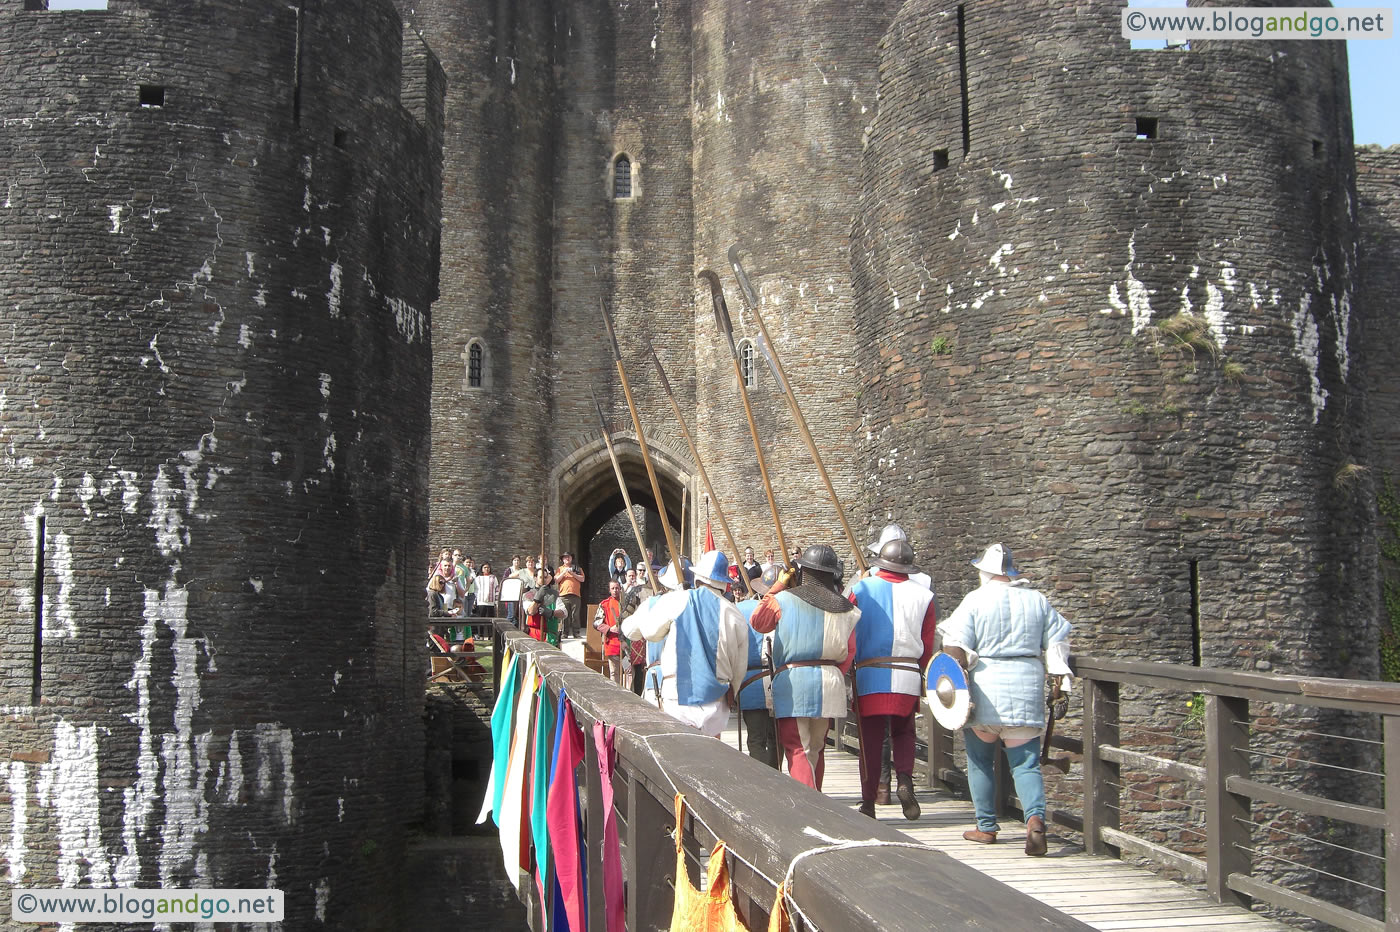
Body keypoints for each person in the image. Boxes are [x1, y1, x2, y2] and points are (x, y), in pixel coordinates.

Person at [940, 543, 1073, 857]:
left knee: (980, 761)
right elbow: (1058, 643)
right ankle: (1035, 821)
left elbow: (954, 644)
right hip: (1026, 685)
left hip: (986, 688)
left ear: (984, 572)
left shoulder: (975, 600)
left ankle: (986, 827)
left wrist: (958, 670)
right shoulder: (1037, 601)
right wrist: (1061, 683)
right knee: (1026, 764)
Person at [749, 544, 860, 790]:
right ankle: (816, 797)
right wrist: (832, 674)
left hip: (795, 681)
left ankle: (810, 809)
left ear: (804, 571)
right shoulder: (847, 609)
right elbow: (849, 651)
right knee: (816, 749)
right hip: (830, 681)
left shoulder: (784, 600)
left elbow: (758, 622)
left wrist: (778, 586)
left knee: (798, 748)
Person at [848, 538, 938, 820]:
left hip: (870, 673)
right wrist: (920, 672)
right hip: (907, 673)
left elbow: (848, 631)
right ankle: (904, 780)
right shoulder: (924, 596)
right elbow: (928, 639)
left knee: (871, 740)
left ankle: (869, 800)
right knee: (904, 732)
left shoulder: (861, 589)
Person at [622, 552, 747, 739]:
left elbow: (649, 633)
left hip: (677, 698)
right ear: (723, 582)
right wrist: (731, 695)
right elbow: (739, 668)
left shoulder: (677, 600)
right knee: (712, 760)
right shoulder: (734, 614)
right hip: (717, 701)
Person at [735, 567, 780, 769]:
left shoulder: (741, 609)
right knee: (776, 739)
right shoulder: (786, 607)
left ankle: (765, 783)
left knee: (756, 738)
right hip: (777, 679)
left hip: (751, 681)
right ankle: (774, 778)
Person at [593, 580, 626, 685]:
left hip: (626, 643)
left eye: (617, 588)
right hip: (612, 642)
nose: (615, 590)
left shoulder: (627, 603)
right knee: (614, 672)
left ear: (620, 589)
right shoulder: (604, 604)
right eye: (613, 588)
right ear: (609, 590)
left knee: (628, 672)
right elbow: (596, 623)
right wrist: (609, 628)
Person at [523, 566, 565, 647]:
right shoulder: (528, 595)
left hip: (550, 636)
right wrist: (537, 599)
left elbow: (563, 613)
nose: (544, 579)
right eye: (541, 577)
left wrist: (552, 613)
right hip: (534, 635)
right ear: (535, 578)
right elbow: (530, 611)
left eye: (545, 577)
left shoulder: (554, 594)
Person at [556, 552, 585, 640]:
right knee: (565, 615)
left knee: (575, 615)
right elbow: (556, 580)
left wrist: (572, 573)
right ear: (563, 560)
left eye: (568, 557)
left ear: (571, 558)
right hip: (563, 595)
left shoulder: (577, 568)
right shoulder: (560, 569)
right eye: (565, 557)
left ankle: (576, 633)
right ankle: (565, 633)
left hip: (575, 594)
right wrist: (564, 573)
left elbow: (582, 579)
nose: (567, 559)